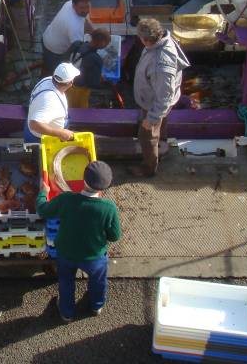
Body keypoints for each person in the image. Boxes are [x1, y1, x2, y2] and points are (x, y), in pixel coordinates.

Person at [36, 160, 121, 323]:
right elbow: (114, 236)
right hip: (94, 257)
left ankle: (66, 313)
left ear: (83, 180)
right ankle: (97, 305)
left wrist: (43, 193)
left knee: (66, 281)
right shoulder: (109, 207)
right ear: (105, 187)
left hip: (66, 253)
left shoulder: (66, 199)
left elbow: (42, 210)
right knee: (98, 281)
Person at [130, 18, 190, 177]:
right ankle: (162, 145)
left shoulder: (160, 65)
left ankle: (148, 168)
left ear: (146, 40)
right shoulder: (164, 40)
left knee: (146, 136)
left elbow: (164, 97)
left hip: (153, 105)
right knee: (160, 128)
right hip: (157, 100)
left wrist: (151, 119)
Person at [24, 62, 80, 143]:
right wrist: (60, 133)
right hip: (40, 139)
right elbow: (34, 124)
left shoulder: (48, 80)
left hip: (32, 128)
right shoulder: (51, 101)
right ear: (70, 83)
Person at [41, 0, 95, 72]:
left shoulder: (69, 3)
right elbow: (79, 50)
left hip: (47, 36)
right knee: (56, 73)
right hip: (53, 50)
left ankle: (45, 67)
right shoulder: (74, 27)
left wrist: (94, 34)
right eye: (82, 8)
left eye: (87, 7)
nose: (86, 10)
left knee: (47, 64)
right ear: (74, 6)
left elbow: (84, 21)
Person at [65, 28, 112, 108]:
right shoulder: (95, 59)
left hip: (66, 83)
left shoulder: (77, 44)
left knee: (66, 105)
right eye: (106, 43)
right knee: (79, 110)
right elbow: (93, 83)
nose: (106, 45)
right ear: (102, 42)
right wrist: (100, 78)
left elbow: (66, 59)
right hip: (79, 90)